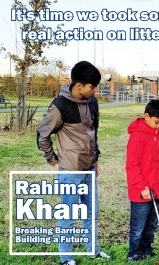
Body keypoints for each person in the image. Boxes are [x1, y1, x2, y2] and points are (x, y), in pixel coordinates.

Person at [36, 61, 110, 265]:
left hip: (89, 170)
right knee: (67, 216)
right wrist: (54, 162)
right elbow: (42, 135)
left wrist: (95, 160)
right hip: (69, 171)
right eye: (92, 87)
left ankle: (92, 251)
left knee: (91, 213)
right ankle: (66, 258)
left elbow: (93, 133)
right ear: (79, 86)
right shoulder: (59, 106)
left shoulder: (92, 102)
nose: (95, 90)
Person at [125, 99, 159, 262]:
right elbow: (131, 165)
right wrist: (142, 186)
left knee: (151, 225)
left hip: (156, 190)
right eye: (157, 122)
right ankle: (134, 252)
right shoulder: (138, 136)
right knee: (138, 227)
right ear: (146, 116)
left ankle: (146, 249)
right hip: (141, 191)